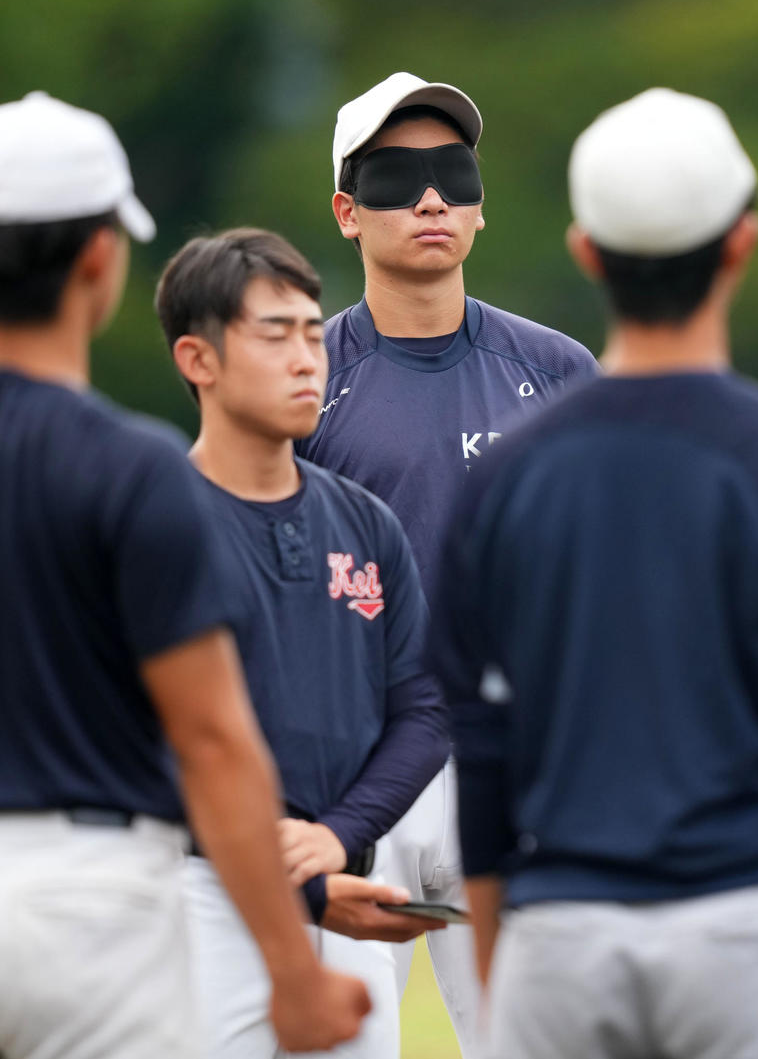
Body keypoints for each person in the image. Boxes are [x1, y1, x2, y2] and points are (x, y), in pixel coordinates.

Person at [433, 86, 758, 1059]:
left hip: (563, 932)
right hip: (756, 932)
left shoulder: (501, 478)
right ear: (742, 243)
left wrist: (507, 972)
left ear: (586, 252)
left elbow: (484, 745)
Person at [0, 93, 368, 1059]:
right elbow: (212, 738)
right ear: (98, 260)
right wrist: (295, 969)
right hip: (92, 900)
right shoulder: (129, 466)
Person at [297, 72, 599, 1051]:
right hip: (351, 774)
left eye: (451, 175)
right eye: (395, 178)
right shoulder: (303, 380)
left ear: (477, 202)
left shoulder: (557, 372)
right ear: (346, 211)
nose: (429, 199)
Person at [155, 227, 456, 1058]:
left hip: (349, 885)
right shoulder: (153, 525)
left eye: (312, 331)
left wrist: (336, 836)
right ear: (198, 360)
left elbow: (425, 706)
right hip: (196, 892)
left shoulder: (366, 522)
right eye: (273, 333)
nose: (306, 357)